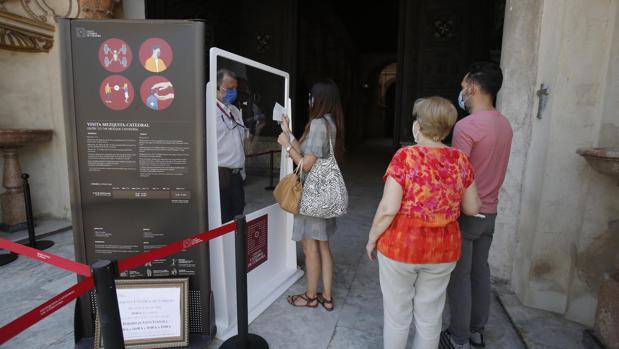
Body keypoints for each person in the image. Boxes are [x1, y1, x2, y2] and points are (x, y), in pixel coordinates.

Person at [366, 96, 481, 349]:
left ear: (419, 126)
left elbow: (388, 208)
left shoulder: (405, 157)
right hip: (443, 250)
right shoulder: (460, 159)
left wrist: (372, 238)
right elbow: (473, 207)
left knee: (397, 315)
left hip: (401, 248)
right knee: (430, 316)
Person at [440, 62, 513, 349]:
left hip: (467, 214)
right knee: (481, 272)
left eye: (463, 86)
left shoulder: (467, 126)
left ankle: (457, 338)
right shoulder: (504, 124)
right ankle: (476, 332)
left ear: (472, 87)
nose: (461, 92)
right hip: (491, 212)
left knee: (459, 277)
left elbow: (459, 177)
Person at [277, 79, 345, 311]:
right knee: (323, 245)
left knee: (310, 247)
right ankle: (326, 296)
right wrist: (289, 133)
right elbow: (309, 152)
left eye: (311, 96)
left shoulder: (317, 124)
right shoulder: (329, 122)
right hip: (325, 192)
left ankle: (310, 296)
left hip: (312, 195)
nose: (309, 100)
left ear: (318, 99)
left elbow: (306, 164)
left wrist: (286, 146)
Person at [216, 69, 247, 223]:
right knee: (224, 220)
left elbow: (242, 139)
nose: (233, 92)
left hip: (237, 176)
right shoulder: (208, 111)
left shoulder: (234, 110)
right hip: (221, 176)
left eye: (235, 88)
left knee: (238, 220)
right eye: (229, 88)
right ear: (216, 87)